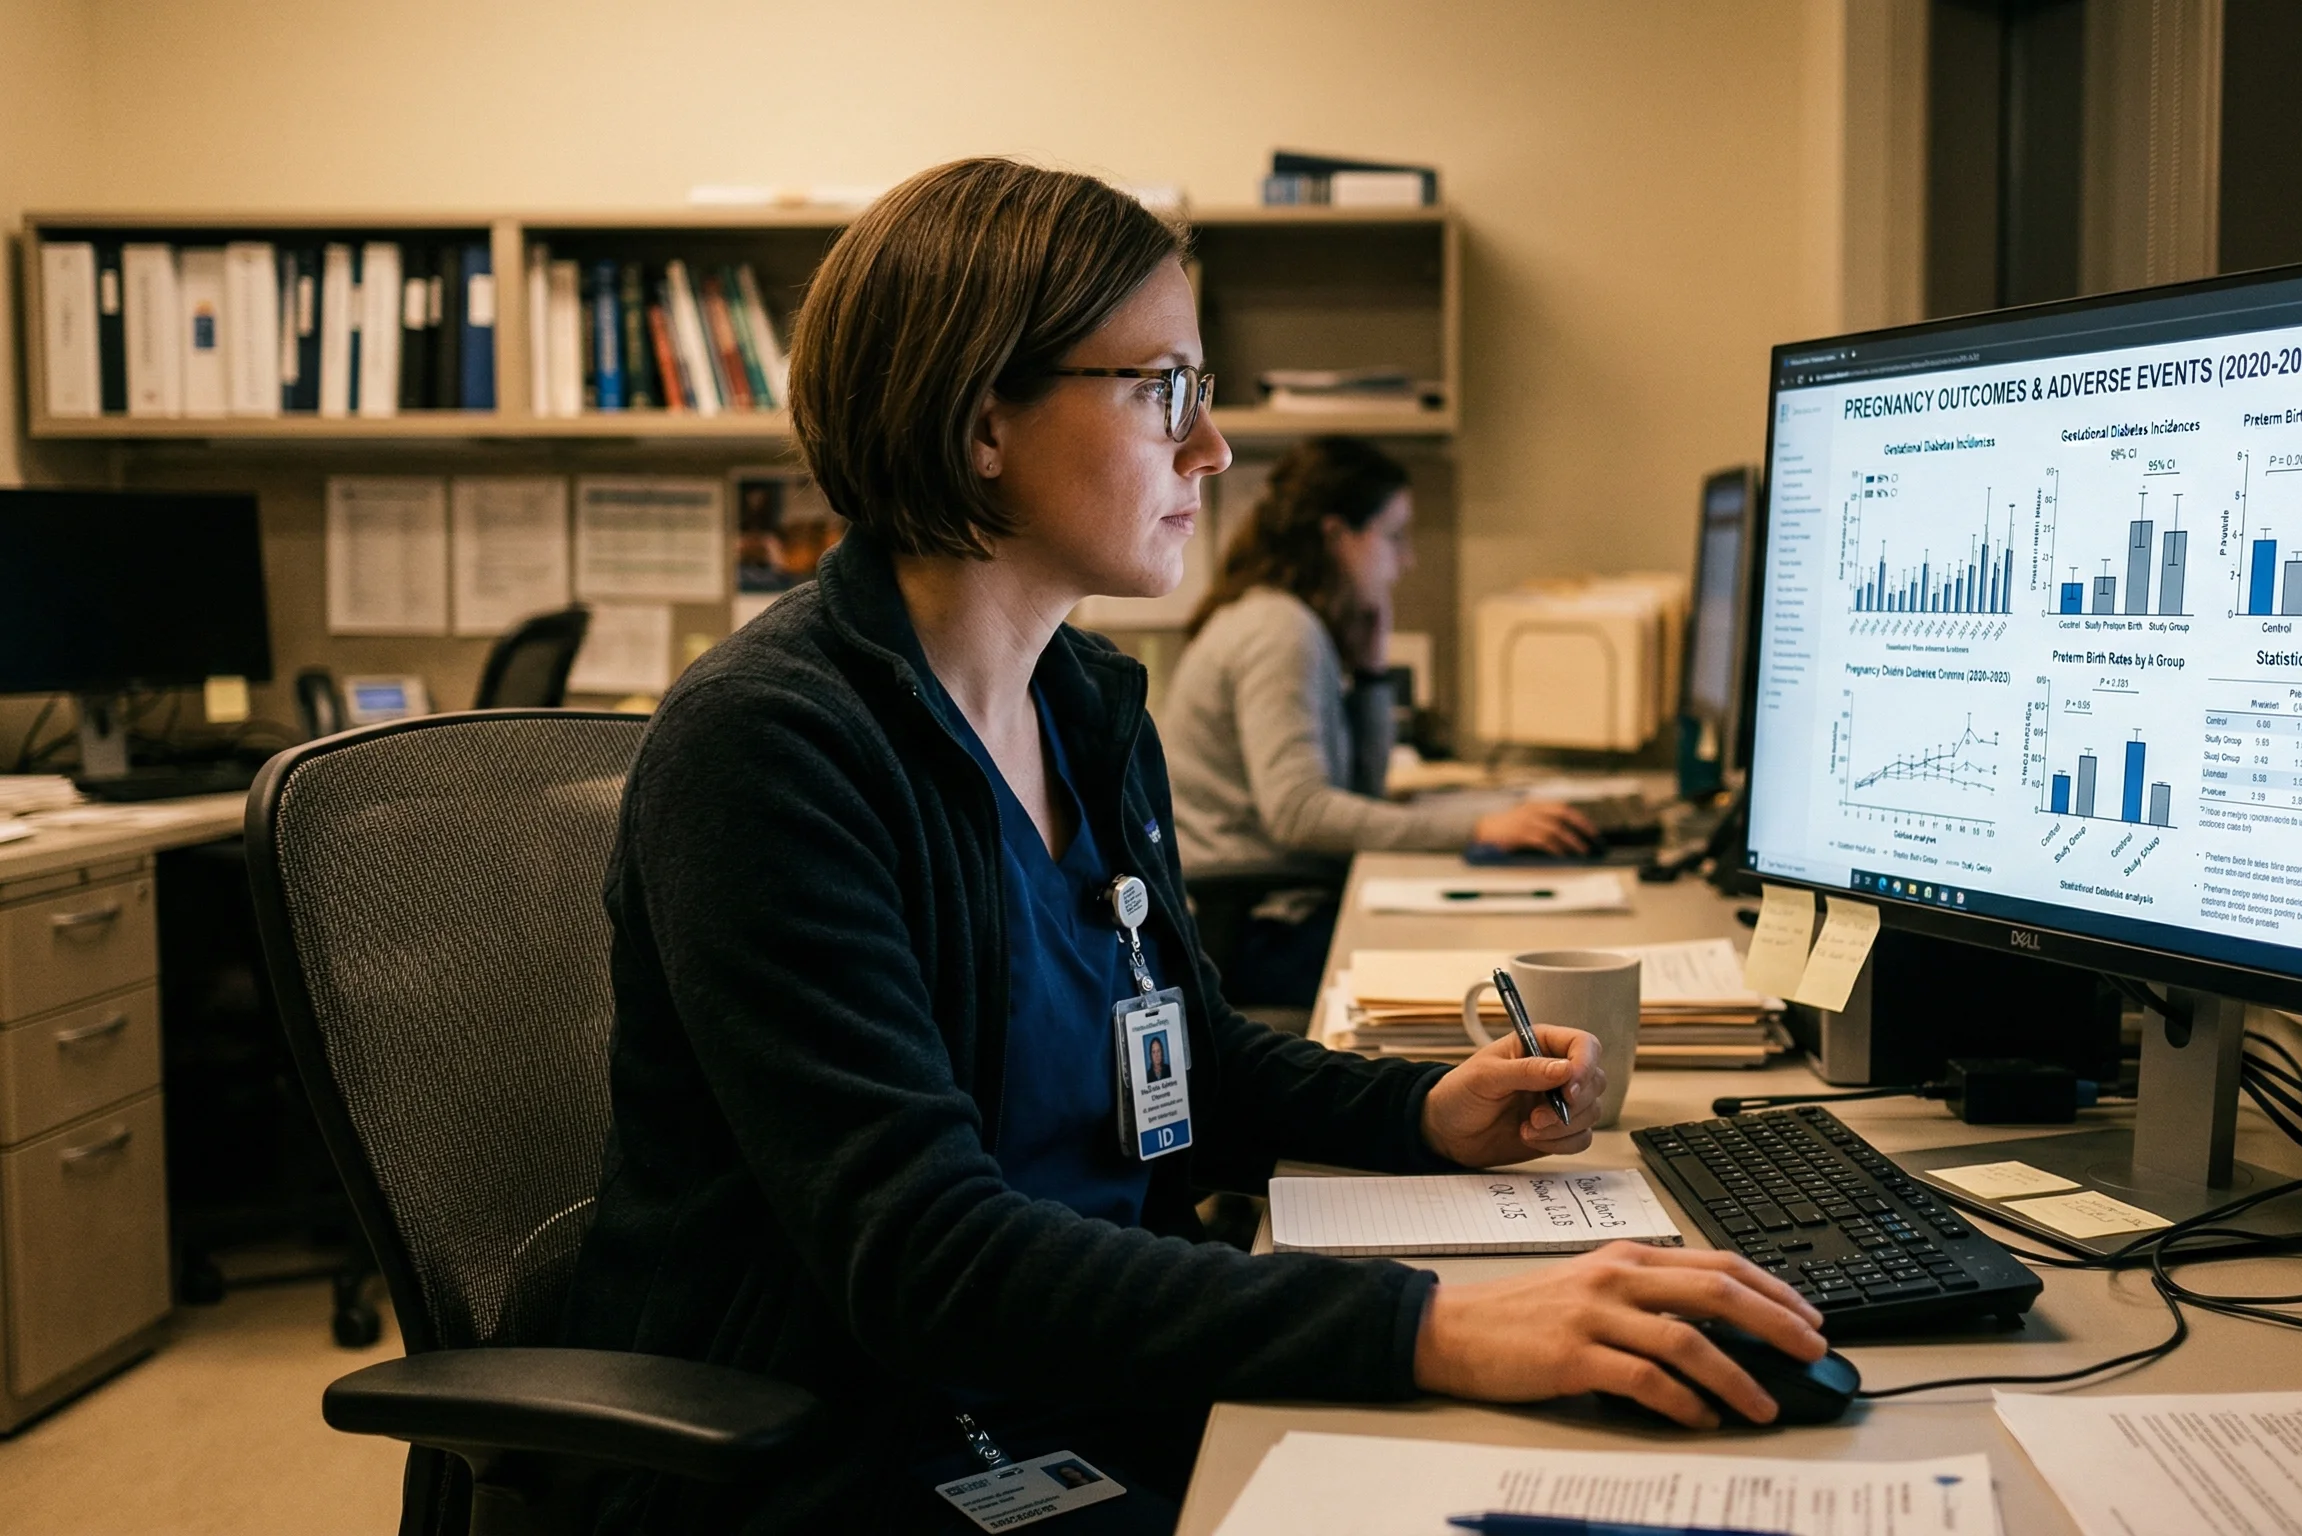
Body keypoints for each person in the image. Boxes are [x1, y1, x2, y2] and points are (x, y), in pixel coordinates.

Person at [556, 158, 1825, 1536]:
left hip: (1081, 1378)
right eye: (1165, 389)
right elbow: (925, 1259)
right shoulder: (771, 748)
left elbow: (1187, 1063)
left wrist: (1416, 1113)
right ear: (983, 423)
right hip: (850, 1446)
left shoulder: (1082, 706)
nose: (1211, 448)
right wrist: (1434, 1327)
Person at [1162, 437, 1597, 1000]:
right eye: (1393, 536)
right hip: (1259, 932)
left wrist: (1370, 676)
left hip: (1274, 913)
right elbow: (1301, 815)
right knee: (1475, 961)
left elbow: (1357, 795)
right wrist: (1478, 828)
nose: (1406, 560)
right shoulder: (1280, 630)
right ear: (1338, 537)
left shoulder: (1290, 623)